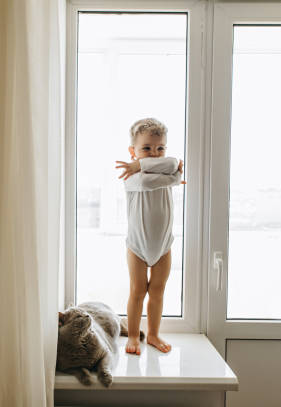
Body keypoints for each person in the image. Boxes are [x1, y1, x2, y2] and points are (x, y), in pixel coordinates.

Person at [115, 118, 185, 355]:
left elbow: (175, 164)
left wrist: (147, 164)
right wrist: (173, 177)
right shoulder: (131, 176)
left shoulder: (154, 165)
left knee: (158, 291)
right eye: (146, 148)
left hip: (164, 245)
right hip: (137, 246)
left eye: (160, 148)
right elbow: (149, 181)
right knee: (137, 291)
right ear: (132, 151)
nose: (154, 154)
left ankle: (153, 334)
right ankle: (134, 336)